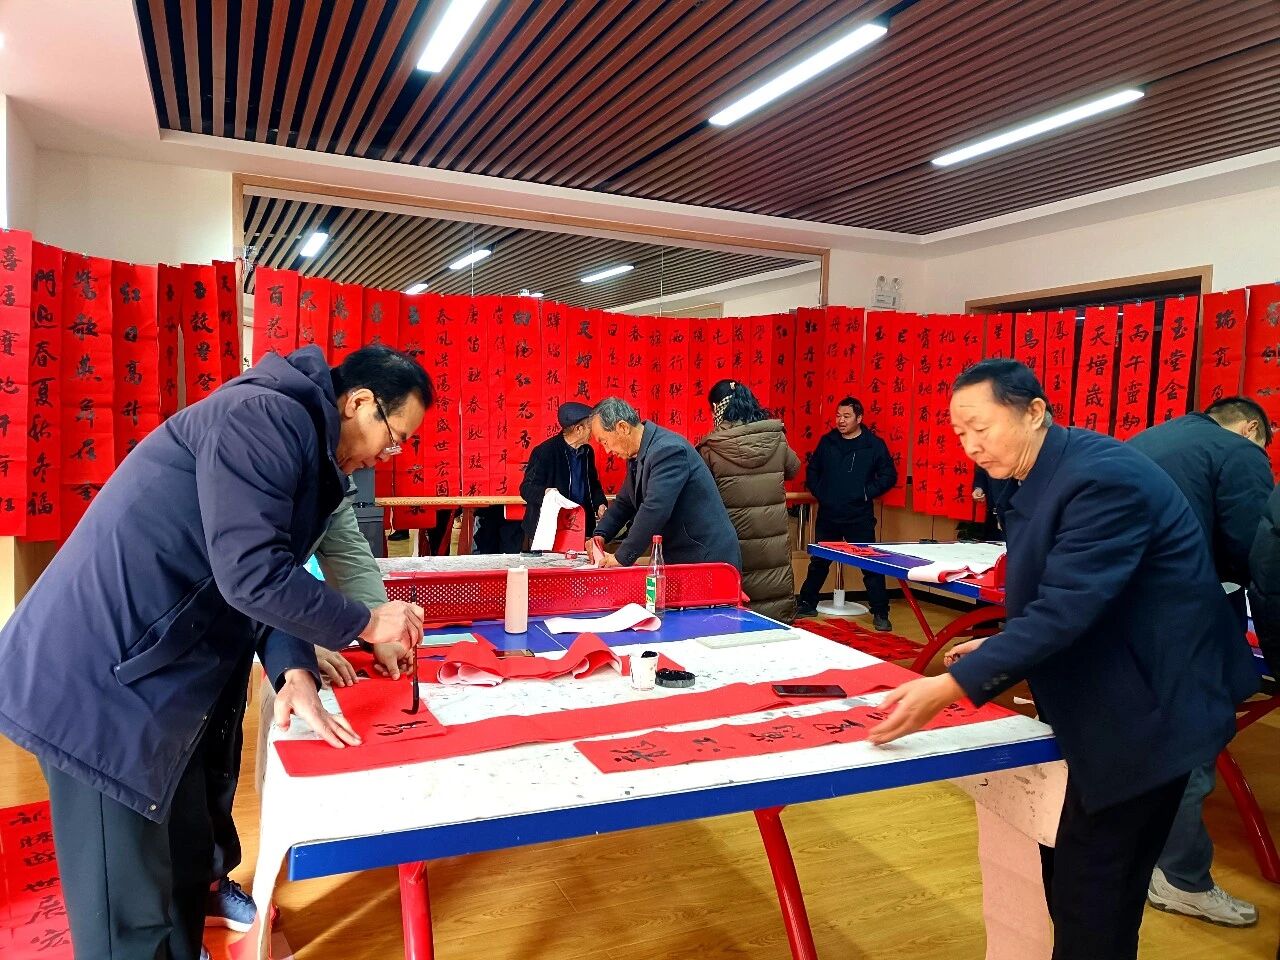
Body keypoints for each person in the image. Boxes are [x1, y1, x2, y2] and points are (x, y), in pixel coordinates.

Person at [0, 344, 432, 960]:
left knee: (180, 879)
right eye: (394, 439)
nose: (389, 456)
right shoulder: (263, 419)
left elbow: (275, 570)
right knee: (125, 919)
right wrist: (364, 620)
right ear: (359, 402)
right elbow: (250, 575)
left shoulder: (305, 445)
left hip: (161, 677)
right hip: (101, 686)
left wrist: (293, 669)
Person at [867, 359, 1258, 960]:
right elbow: (1066, 591)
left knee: (1096, 891)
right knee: (1076, 878)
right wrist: (1000, 646)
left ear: (1034, 412)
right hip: (1114, 690)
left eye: (981, 428)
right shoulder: (1040, 472)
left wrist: (951, 687)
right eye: (960, 433)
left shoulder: (1101, 478)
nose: (971, 447)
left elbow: (1069, 607)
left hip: (1153, 705)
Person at [207, 497, 411, 933]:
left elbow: (347, 552)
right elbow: (257, 571)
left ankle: (209, 883)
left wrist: (377, 633)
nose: (377, 464)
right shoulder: (261, 468)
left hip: (247, 628)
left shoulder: (331, 478)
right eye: (391, 443)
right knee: (175, 775)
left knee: (218, 753)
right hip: (195, 621)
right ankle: (169, 915)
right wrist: (304, 645)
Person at [1128, 396, 1273, 927]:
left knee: (1149, 738)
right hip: (1183, 616)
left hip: (1122, 614)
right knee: (1193, 741)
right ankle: (1182, 878)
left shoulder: (1147, 440)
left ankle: (1145, 855)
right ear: (1251, 428)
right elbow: (1256, 546)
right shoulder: (1237, 451)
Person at [589, 396, 741, 570]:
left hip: (706, 556)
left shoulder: (668, 450)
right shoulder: (638, 454)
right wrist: (600, 534)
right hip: (683, 555)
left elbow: (655, 508)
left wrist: (622, 557)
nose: (607, 450)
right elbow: (625, 502)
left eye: (605, 441)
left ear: (623, 427)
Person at [697, 379, 801, 622]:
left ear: (717, 408)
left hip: (734, 532)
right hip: (772, 529)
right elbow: (794, 468)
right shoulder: (775, 437)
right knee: (773, 579)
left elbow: (701, 491)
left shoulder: (711, 447)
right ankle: (779, 623)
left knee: (737, 583)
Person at [795, 396, 898, 630]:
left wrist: (866, 493)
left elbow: (888, 475)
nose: (841, 421)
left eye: (846, 416)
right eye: (838, 416)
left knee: (869, 564)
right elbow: (813, 470)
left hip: (858, 515)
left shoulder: (873, 445)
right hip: (829, 513)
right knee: (819, 561)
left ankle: (881, 612)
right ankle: (807, 603)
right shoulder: (828, 442)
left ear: (859, 418)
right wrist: (821, 493)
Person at [520, 401, 608, 546]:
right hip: (549, 528)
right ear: (579, 429)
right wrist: (546, 493)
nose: (593, 432)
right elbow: (526, 489)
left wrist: (600, 504)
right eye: (590, 427)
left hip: (579, 526)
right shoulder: (545, 452)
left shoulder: (587, 452)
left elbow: (593, 485)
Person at [971, 465, 1012, 540]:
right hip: (992, 513)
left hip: (1011, 513)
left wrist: (1003, 512)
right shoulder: (987, 459)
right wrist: (979, 488)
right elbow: (982, 473)